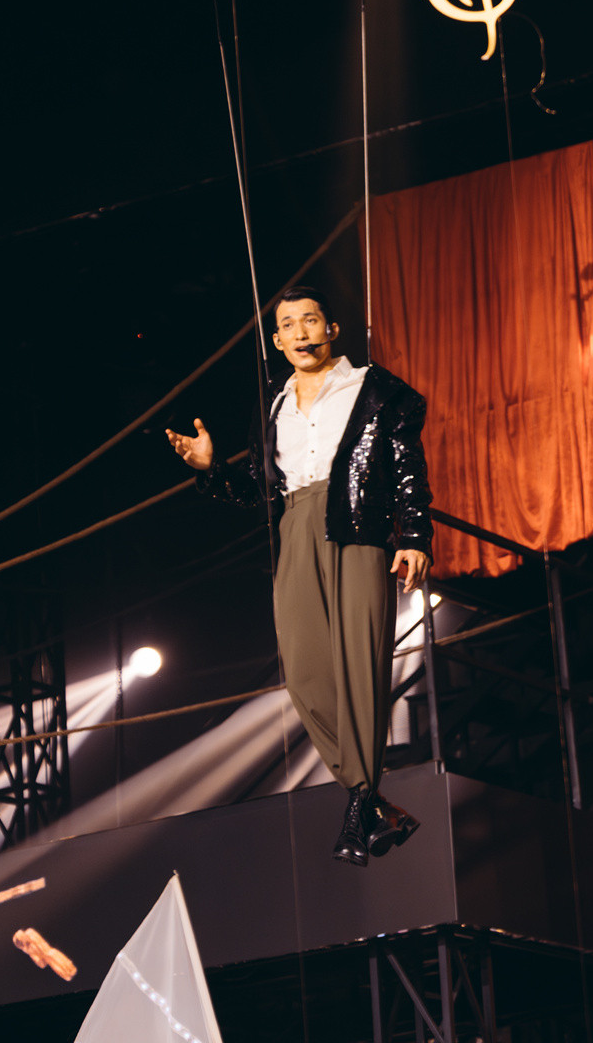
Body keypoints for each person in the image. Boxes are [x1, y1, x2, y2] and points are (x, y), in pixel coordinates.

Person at [166, 286, 433, 864]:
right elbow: (259, 491)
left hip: (357, 527)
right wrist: (212, 469)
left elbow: (407, 468)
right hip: (296, 527)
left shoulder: (377, 390)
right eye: (289, 325)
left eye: (310, 321)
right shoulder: (275, 404)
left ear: (331, 329)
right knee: (306, 673)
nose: (301, 333)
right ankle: (373, 804)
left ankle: (361, 808)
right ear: (277, 341)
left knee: (359, 664)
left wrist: (414, 537)